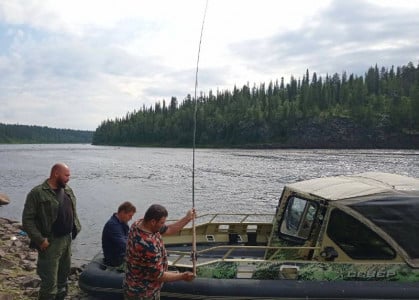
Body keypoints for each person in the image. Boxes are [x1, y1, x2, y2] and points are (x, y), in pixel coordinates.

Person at [22, 163, 81, 300]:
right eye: (66, 175)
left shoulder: (67, 190)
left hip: (66, 239)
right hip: (50, 242)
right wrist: (40, 240)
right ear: (56, 174)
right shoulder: (37, 193)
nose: (69, 178)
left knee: (63, 279)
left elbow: (72, 210)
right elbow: (27, 220)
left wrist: (75, 227)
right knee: (49, 283)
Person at [124, 204, 196, 300]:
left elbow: (169, 229)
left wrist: (187, 218)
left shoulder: (138, 223)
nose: (163, 225)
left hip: (131, 284)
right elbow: (159, 276)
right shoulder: (149, 246)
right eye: (162, 223)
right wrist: (183, 276)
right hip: (143, 294)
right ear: (153, 222)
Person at [102, 201, 136, 267]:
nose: (131, 218)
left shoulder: (122, 222)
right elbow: (123, 245)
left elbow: (128, 238)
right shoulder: (112, 225)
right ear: (123, 213)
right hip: (114, 259)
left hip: (120, 255)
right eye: (130, 216)